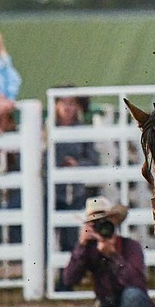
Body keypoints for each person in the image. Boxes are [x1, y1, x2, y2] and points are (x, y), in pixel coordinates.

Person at [52, 92, 98, 255]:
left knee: (71, 237)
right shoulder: (47, 128)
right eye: (63, 103)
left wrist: (77, 165)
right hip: (50, 191)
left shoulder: (83, 130)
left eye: (71, 103)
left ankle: (69, 275)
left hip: (74, 192)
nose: (67, 107)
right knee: (45, 234)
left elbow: (93, 160)